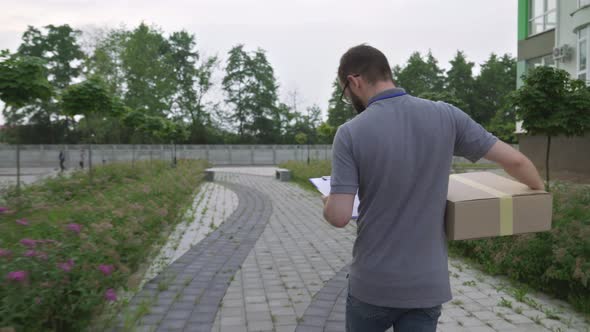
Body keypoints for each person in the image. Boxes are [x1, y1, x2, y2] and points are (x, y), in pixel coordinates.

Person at [321, 44, 544, 332]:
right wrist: (541, 195)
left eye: (344, 92)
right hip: (427, 286)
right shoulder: (446, 116)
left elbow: (339, 216)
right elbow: (515, 160)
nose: (348, 98)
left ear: (354, 81)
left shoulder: (350, 132)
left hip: (373, 284)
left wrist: (328, 201)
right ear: (387, 73)